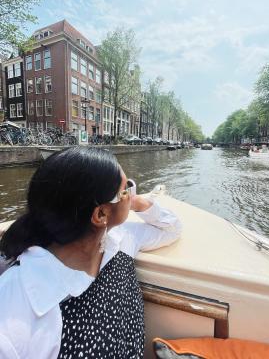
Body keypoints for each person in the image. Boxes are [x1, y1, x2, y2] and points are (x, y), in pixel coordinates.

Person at [0, 146, 181, 359]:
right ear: (101, 213)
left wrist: (136, 202)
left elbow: (171, 228)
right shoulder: (16, 308)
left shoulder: (120, 239)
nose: (131, 193)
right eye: (126, 189)